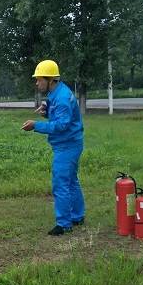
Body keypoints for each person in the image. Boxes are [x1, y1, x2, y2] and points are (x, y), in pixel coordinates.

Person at [21, 59, 85, 236]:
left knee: (61, 183)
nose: (36, 83)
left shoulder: (62, 98)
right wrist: (47, 110)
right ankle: (78, 216)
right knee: (71, 180)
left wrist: (36, 125)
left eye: (39, 79)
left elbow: (61, 125)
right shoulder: (57, 93)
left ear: (50, 80)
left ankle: (64, 224)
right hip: (70, 143)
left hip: (67, 146)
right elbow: (60, 115)